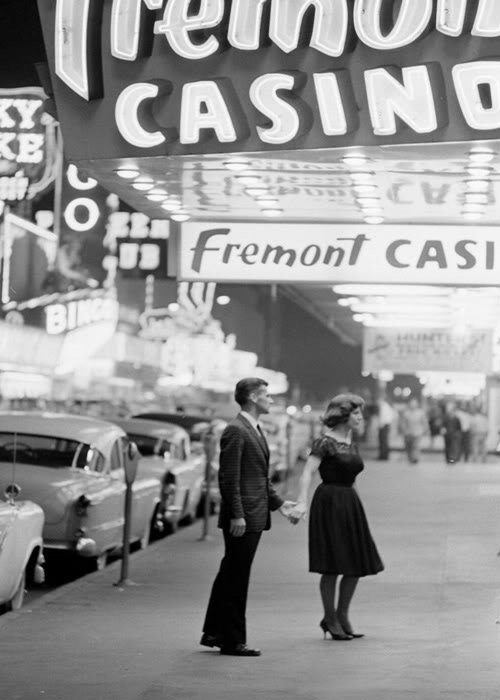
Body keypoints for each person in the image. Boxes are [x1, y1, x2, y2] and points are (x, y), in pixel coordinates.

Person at [201, 377, 296, 657]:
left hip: (253, 514)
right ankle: (232, 641)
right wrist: (237, 515)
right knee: (236, 577)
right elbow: (229, 478)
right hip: (244, 518)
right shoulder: (237, 431)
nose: (271, 399)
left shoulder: (252, 429)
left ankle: (215, 632)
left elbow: (258, 477)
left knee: (229, 574)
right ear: (253, 397)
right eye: (266, 394)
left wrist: (280, 505)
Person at [289, 394, 384, 641]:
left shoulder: (351, 441)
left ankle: (342, 616)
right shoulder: (325, 442)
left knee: (356, 564)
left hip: (350, 503)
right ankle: (330, 618)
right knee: (332, 565)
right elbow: (307, 473)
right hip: (329, 502)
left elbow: (352, 477)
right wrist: (301, 501)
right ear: (343, 415)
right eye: (356, 413)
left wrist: (357, 506)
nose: (361, 418)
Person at [399, 398, 429, 464]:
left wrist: (425, 430)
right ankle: (410, 458)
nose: (412, 405)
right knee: (408, 447)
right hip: (408, 433)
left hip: (417, 433)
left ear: (417, 404)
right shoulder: (406, 413)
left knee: (415, 446)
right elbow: (403, 423)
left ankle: (415, 458)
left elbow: (424, 422)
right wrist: (403, 430)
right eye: (411, 403)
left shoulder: (420, 412)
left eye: (414, 403)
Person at [376, 396, 394, 461]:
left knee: (383, 441)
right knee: (384, 441)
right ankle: (383, 455)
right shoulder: (386, 406)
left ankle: (383, 456)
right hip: (385, 425)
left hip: (383, 426)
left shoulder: (384, 407)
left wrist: (380, 425)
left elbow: (382, 418)